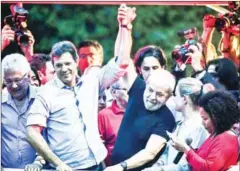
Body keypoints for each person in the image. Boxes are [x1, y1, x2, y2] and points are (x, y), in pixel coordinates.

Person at [25, 5, 134, 170]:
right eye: (59, 65)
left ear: (76, 62)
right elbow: (32, 133)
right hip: (67, 168)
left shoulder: (91, 81)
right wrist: (58, 164)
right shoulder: (47, 93)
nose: (64, 69)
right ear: (53, 65)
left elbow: (122, 61)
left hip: (96, 164)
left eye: (68, 63)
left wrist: (125, 27)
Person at [143, 77, 209, 171]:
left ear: (185, 99)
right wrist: (159, 164)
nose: (173, 98)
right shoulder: (180, 122)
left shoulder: (200, 127)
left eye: (176, 95)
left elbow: (189, 165)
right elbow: (168, 151)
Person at [171, 90, 240, 171]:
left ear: (217, 118)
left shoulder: (226, 139)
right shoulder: (217, 132)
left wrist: (186, 149)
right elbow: (204, 157)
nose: (202, 123)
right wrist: (188, 149)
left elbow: (207, 168)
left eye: (205, 119)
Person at [1, 53, 38, 168]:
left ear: (28, 76)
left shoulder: (42, 99)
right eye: (8, 81)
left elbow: (51, 136)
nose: (14, 85)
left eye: (18, 80)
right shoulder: (1, 102)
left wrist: (38, 162)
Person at [98, 78, 129, 166]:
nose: (130, 92)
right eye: (126, 89)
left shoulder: (140, 112)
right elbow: (99, 146)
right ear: (113, 92)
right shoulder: (104, 115)